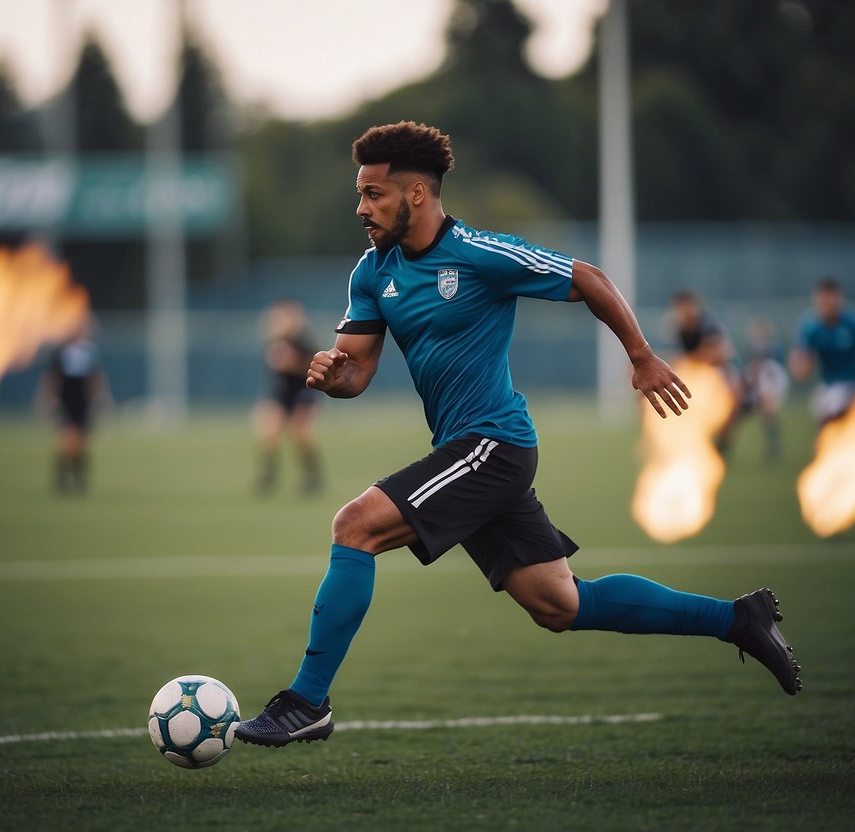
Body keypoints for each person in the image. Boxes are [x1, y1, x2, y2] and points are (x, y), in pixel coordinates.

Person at [235, 122, 801, 749]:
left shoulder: (480, 253)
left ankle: (306, 700)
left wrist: (641, 355)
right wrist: (332, 375)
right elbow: (357, 371)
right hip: (468, 450)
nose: (361, 208)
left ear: (417, 194)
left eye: (374, 194)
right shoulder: (373, 272)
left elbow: (589, 278)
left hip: (494, 443)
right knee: (560, 605)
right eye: (360, 195)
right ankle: (738, 620)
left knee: (355, 525)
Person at [788, 277, 855, 426]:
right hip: (827, 384)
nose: (825, 305)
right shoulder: (812, 327)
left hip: (852, 383)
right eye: (821, 301)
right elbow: (802, 359)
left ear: (839, 299)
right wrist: (800, 368)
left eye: (829, 300)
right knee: (820, 407)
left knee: (834, 411)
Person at [254, 298, 323, 494]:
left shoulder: (304, 340)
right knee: (269, 433)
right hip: (283, 392)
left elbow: (311, 367)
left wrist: (293, 363)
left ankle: (312, 477)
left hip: (305, 391)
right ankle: (268, 477)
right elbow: (275, 365)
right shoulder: (275, 340)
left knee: (301, 435)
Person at [668, 289, 742, 454]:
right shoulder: (682, 329)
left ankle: (721, 443)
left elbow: (718, 355)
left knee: (731, 403)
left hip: (720, 372)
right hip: (699, 373)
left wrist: (689, 361)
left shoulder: (708, 324)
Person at [38, 320, 109, 494]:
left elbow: (95, 377)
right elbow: (53, 377)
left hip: (82, 397)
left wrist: (100, 396)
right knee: (69, 437)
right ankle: (63, 477)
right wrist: (49, 398)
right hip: (67, 396)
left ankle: (79, 479)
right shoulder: (62, 351)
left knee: (81, 440)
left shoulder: (89, 351)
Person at [742, 316, 789, 462]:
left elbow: (771, 369)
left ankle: (774, 447)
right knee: (765, 415)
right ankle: (773, 447)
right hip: (762, 384)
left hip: (772, 383)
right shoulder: (753, 349)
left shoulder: (773, 348)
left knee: (768, 413)